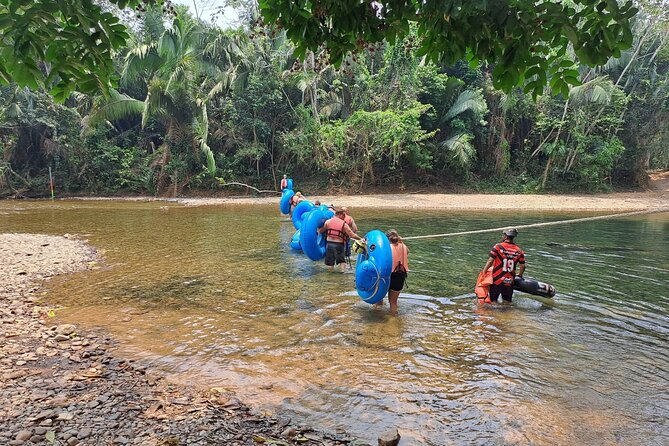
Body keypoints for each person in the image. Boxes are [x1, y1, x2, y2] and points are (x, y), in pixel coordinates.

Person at [481, 228, 525, 304]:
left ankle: (495, 315)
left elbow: (490, 261)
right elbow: (523, 266)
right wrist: (520, 274)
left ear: (505, 236)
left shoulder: (498, 247)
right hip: (510, 281)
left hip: (497, 280)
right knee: (507, 303)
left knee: (493, 302)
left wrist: (484, 272)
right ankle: (507, 315)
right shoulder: (519, 251)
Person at [384, 229, 409, 313]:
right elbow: (407, 252)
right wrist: (401, 242)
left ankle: (378, 319)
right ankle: (393, 320)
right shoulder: (404, 247)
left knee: (378, 300)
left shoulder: (387, 248)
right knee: (393, 302)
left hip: (388, 276)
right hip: (400, 277)